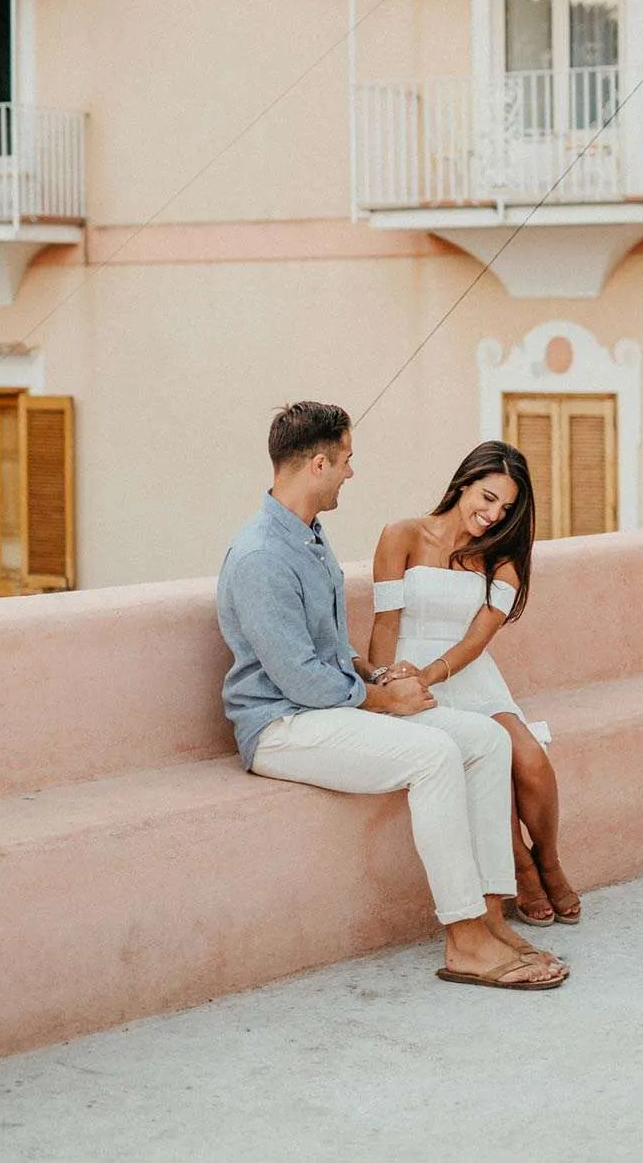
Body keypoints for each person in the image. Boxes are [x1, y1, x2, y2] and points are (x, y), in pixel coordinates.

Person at [216, 402, 566, 991]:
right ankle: (464, 939)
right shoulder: (261, 556)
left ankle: (487, 913)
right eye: (347, 460)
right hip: (283, 726)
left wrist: (377, 676)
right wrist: (385, 701)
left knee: (483, 737)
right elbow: (299, 679)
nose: (352, 472)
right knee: (432, 756)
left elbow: (329, 652)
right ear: (320, 463)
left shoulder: (307, 538)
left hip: (328, 708)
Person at [365, 441, 579, 928]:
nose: (492, 514)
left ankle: (547, 858)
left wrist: (432, 672)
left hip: (467, 671)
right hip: (409, 676)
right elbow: (384, 624)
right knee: (485, 764)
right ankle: (522, 870)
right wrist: (383, 688)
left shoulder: (502, 556)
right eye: (487, 498)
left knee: (528, 758)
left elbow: (477, 639)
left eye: (505, 508)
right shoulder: (400, 535)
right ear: (464, 483)